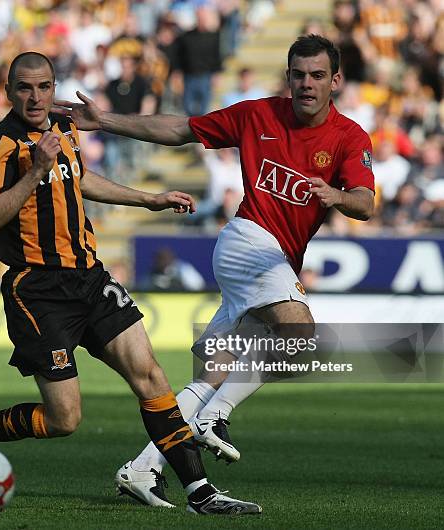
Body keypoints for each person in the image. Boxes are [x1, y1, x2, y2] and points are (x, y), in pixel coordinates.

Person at [0, 51, 262, 516]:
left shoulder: (64, 127)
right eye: (24, 87)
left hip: (90, 278)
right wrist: (34, 171)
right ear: (8, 92)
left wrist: (149, 200)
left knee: (150, 375)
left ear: (53, 87)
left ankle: (200, 493)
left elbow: (80, 180)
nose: (35, 96)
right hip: (38, 289)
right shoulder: (1, 146)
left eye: (44, 86)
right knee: (64, 419)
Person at [55, 34, 375, 506]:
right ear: (288, 77)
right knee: (302, 341)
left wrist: (339, 196)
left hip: (275, 257)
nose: (307, 84)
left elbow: (366, 204)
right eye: (299, 75)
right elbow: (179, 128)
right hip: (248, 239)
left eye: (317, 75)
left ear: (336, 81)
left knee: (213, 374)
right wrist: (105, 121)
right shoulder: (257, 115)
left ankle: (143, 467)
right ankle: (214, 418)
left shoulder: (350, 137)